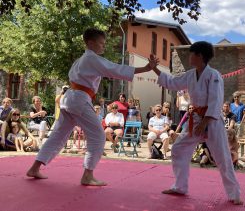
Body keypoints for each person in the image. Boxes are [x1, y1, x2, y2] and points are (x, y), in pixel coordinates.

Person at [26, 28, 157, 186]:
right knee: (98, 135)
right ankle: (88, 175)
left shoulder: (81, 60)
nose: (104, 46)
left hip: (70, 99)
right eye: (101, 43)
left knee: (58, 135)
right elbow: (115, 69)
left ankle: (34, 168)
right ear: (90, 43)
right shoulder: (91, 59)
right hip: (79, 99)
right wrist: (146, 68)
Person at [151, 41, 242, 204]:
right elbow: (172, 82)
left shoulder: (214, 75)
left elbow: (215, 102)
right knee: (178, 148)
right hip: (196, 120)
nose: (189, 57)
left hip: (212, 121)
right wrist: (154, 68)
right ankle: (180, 186)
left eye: (192, 54)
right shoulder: (191, 74)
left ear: (199, 56)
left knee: (222, 157)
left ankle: (234, 194)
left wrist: (204, 123)